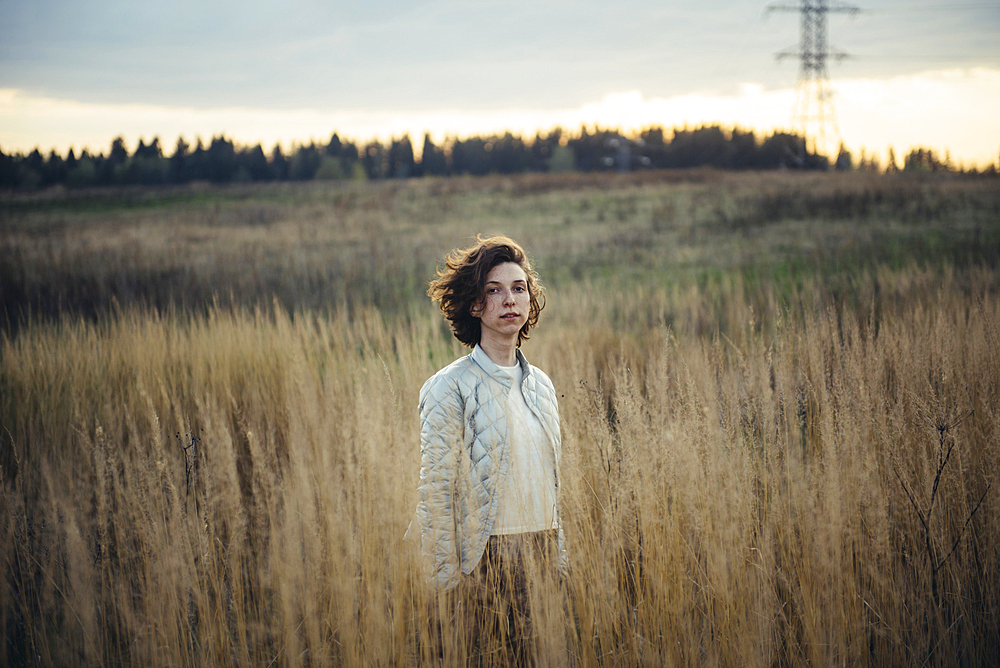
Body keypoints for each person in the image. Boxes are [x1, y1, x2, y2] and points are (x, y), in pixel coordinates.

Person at [406, 235, 565, 664]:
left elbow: (552, 483)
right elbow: (435, 490)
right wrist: (445, 582)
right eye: (493, 290)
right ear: (475, 306)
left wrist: (560, 558)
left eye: (519, 288)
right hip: (485, 561)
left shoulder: (542, 386)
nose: (509, 299)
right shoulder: (448, 388)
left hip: (542, 553)